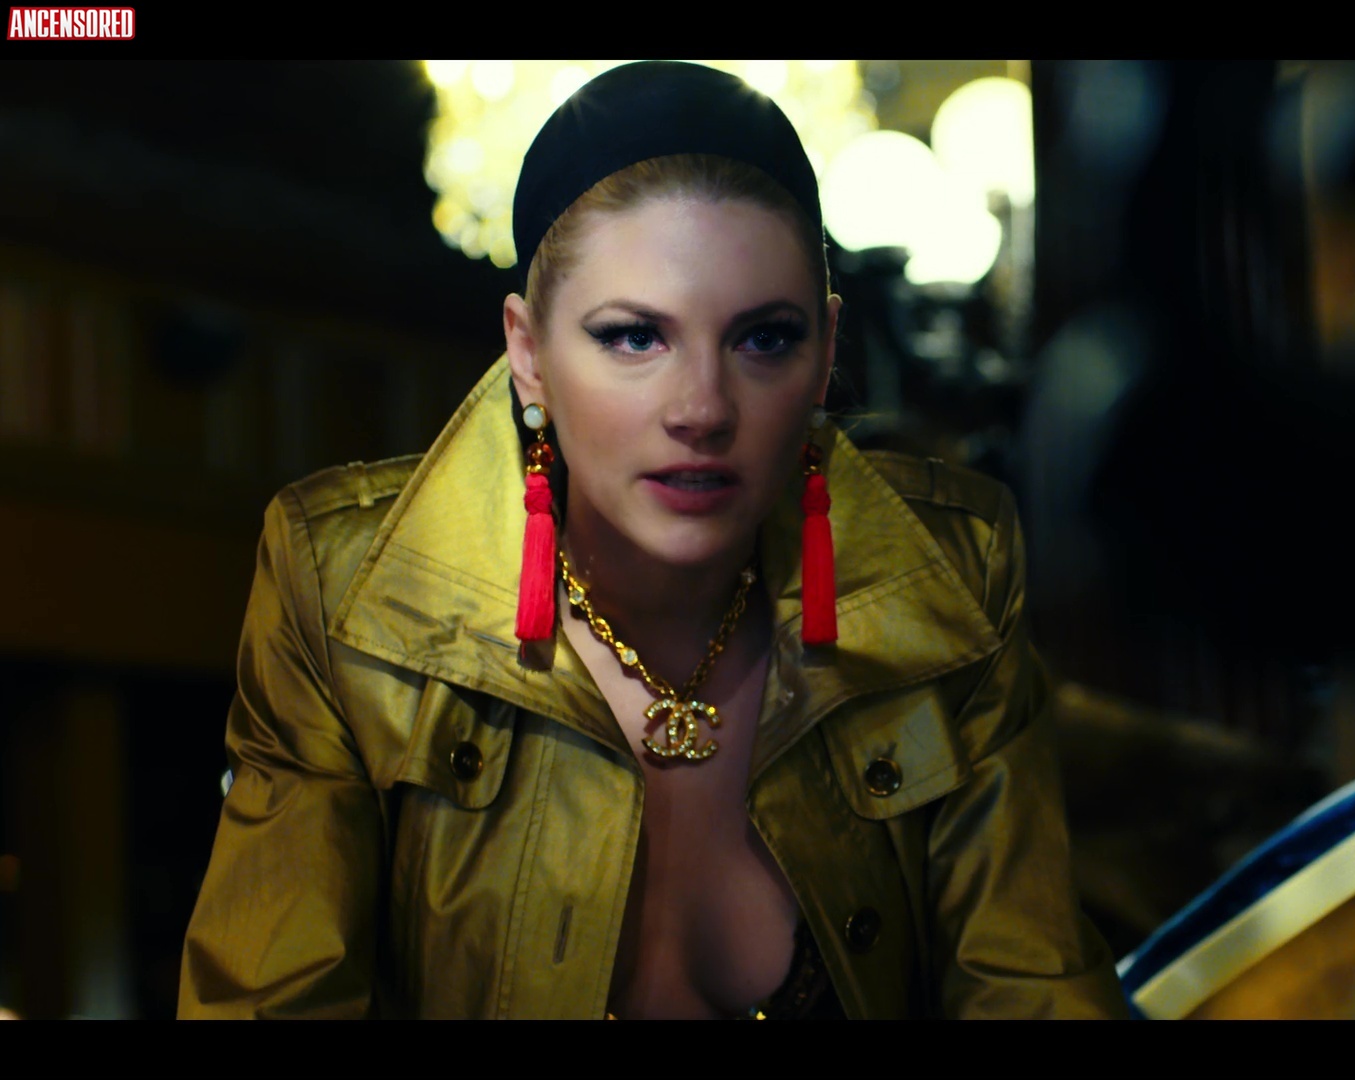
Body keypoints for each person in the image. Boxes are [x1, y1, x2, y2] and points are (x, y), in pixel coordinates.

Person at [178, 61, 1126, 1020]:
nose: (702, 409)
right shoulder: (345, 597)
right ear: (528, 354)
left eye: (763, 338)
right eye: (635, 337)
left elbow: (1032, 991)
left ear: (827, 352)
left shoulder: (952, 581)